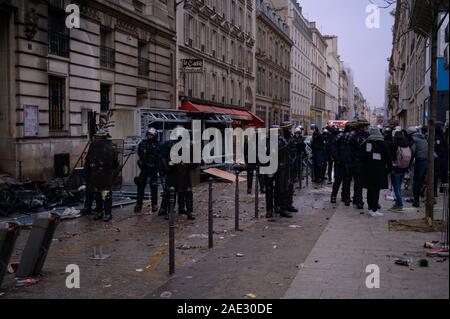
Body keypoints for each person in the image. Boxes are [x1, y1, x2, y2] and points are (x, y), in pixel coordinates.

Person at [159, 126, 196, 220]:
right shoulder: (168, 144)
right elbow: (162, 157)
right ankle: (169, 211)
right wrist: (167, 166)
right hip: (172, 172)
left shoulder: (189, 145)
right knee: (170, 191)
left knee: (187, 191)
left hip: (184, 172)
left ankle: (189, 211)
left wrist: (187, 165)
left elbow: (196, 160)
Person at [83, 129, 119, 222]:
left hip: (106, 176)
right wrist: (87, 174)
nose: (96, 139)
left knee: (106, 194)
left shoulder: (111, 148)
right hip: (95, 175)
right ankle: (99, 212)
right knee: (97, 194)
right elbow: (88, 161)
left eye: (98, 137)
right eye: (96, 137)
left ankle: (108, 213)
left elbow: (115, 163)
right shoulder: (93, 147)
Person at [362, 127, 392, 217]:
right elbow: (388, 158)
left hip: (368, 170)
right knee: (376, 190)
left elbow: (362, 155)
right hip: (379, 170)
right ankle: (374, 209)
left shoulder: (366, 142)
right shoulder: (383, 144)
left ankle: (371, 208)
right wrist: (389, 169)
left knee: (370, 189)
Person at [264, 125, 293, 218]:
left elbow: (286, 155)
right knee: (269, 189)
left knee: (280, 188)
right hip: (269, 167)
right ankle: (269, 210)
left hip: (280, 167)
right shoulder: (266, 141)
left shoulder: (282, 141)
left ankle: (279, 207)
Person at [134, 128, 162, 214]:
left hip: (153, 168)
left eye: (151, 135)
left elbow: (159, 156)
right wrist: (142, 162)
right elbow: (139, 152)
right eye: (148, 134)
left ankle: (154, 204)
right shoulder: (143, 144)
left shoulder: (158, 145)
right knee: (140, 186)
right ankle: (139, 205)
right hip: (144, 168)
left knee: (153, 186)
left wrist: (157, 166)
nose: (149, 136)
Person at [349, 119, 370, 209]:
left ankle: (356, 199)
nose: (366, 128)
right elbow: (351, 150)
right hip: (357, 162)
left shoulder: (367, 136)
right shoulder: (354, 137)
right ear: (360, 128)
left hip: (365, 162)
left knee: (360, 183)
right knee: (358, 183)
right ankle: (359, 200)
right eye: (365, 127)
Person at [390, 130, 413, 211]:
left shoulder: (395, 144)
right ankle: (397, 203)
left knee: (396, 188)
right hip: (404, 167)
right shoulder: (407, 143)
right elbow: (412, 155)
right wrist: (408, 166)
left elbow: (392, 156)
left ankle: (400, 204)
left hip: (395, 168)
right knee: (399, 186)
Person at [407, 126, 428, 207]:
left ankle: (416, 201)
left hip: (420, 161)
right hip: (427, 161)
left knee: (416, 181)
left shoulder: (413, 139)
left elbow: (413, 151)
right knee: (423, 180)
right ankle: (422, 192)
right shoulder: (422, 137)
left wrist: (408, 164)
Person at [434, 123, 449, 196]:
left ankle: (434, 192)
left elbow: (437, 147)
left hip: (438, 159)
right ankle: (443, 190)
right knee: (444, 175)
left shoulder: (436, 137)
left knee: (436, 175)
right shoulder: (444, 136)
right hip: (444, 158)